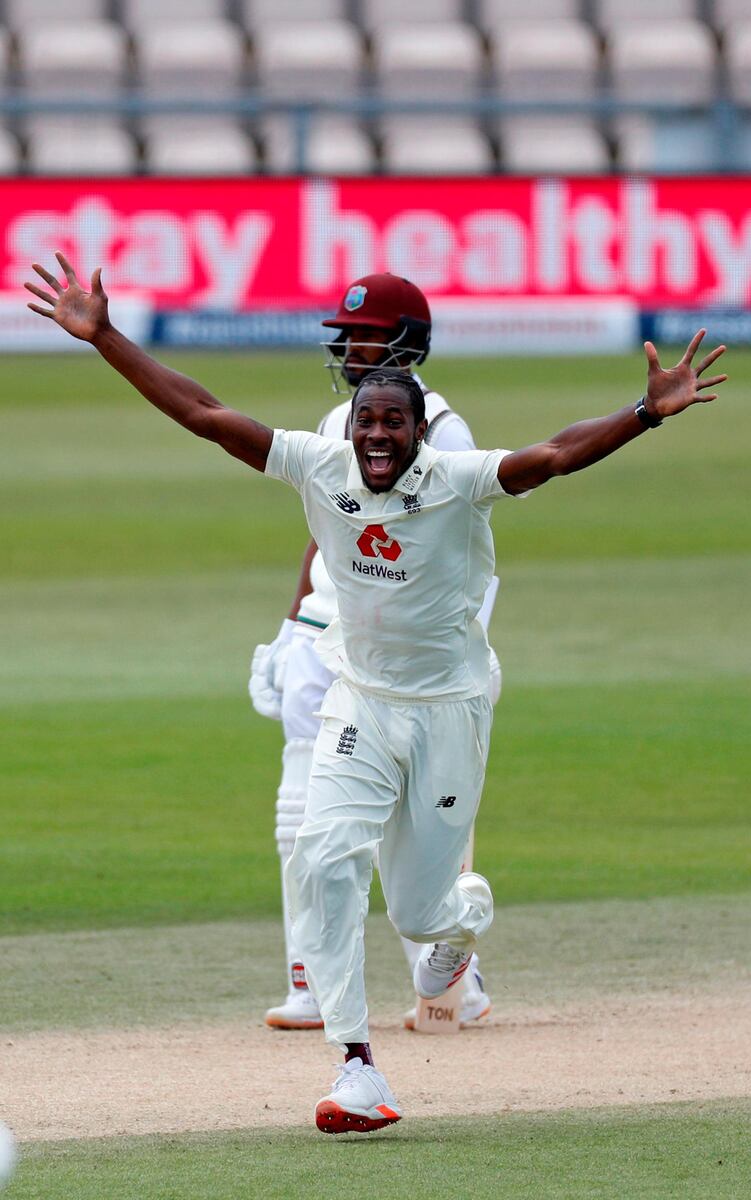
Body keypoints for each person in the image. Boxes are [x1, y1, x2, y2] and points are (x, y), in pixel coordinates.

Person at [25, 253, 727, 1136]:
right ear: (350, 429)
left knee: (424, 911)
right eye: (368, 423)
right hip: (360, 699)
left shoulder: (458, 474)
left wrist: (643, 415)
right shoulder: (321, 462)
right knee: (324, 856)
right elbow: (203, 413)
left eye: (396, 423)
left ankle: (461, 929)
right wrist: (106, 337)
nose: (379, 437)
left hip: (449, 708)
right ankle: (356, 1069)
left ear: (420, 430)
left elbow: (551, 456)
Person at [248, 272, 497, 1032]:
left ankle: (461, 972)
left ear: (407, 343)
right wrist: (293, 626)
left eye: (364, 333)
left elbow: (452, 550)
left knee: (409, 839)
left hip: (416, 662)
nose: (347, 346)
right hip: (333, 634)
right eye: (345, 333)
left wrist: (451, 658)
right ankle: (310, 982)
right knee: (307, 814)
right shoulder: (339, 418)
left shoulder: (441, 431)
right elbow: (329, 527)